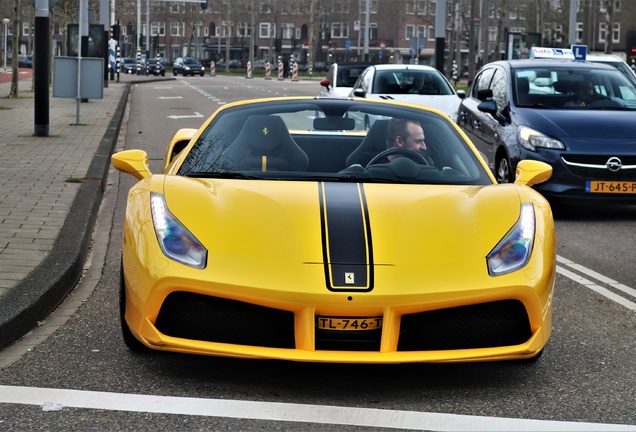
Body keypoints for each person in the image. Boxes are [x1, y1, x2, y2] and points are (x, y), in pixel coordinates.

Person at [349, 117, 427, 166]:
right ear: (400, 142)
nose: (424, 147)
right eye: (418, 141)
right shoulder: (365, 161)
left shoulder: (424, 164)